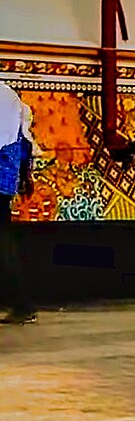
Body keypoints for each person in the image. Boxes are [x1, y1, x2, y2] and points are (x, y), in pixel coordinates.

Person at [0, 82, 37, 324]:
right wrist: (25, 175)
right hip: (5, 181)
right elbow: (24, 143)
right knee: (3, 242)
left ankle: (23, 304)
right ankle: (23, 304)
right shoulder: (12, 98)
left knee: (3, 244)